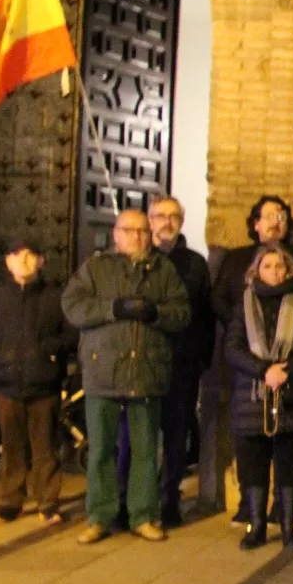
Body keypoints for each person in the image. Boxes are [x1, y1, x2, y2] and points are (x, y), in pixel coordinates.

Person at [62, 209, 190, 544]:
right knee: (101, 449)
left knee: (146, 450)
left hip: (146, 371)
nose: (137, 237)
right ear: (116, 234)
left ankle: (143, 515)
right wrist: (112, 309)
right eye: (130, 230)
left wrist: (156, 313)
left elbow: (182, 313)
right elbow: (72, 306)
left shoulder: (164, 270)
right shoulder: (96, 268)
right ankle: (100, 516)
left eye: (143, 231)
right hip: (103, 371)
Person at [209, 195, 293, 527]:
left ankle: (285, 519)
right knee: (251, 456)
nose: (275, 222)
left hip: (289, 383)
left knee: (287, 457)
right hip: (250, 382)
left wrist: (286, 368)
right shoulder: (237, 264)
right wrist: (256, 355)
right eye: (268, 216)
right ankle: (252, 516)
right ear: (255, 223)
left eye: (281, 216)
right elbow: (223, 312)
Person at [113, 196, 212, 528]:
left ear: (181, 220)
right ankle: (126, 503)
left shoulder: (195, 264)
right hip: (139, 364)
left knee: (175, 438)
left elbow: (204, 316)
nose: (167, 222)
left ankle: (170, 501)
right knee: (132, 437)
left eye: (173, 216)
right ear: (149, 220)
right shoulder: (133, 260)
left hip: (180, 366)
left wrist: (201, 359)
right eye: (159, 216)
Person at [0, 239, 74, 525]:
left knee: (45, 447)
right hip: (6, 384)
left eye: (30, 255)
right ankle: (9, 502)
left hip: (44, 384)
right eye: (17, 256)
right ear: (8, 262)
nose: (24, 261)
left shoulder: (56, 298)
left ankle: (47, 502)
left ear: (41, 261)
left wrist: (51, 349)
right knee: (11, 446)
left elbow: (72, 334)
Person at [225, 244, 293, 550]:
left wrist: (285, 370)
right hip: (252, 395)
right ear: (256, 271)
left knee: (287, 461)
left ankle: (289, 524)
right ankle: (256, 526)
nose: (275, 271)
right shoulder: (244, 303)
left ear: (288, 269)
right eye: (267, 266)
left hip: (290, 393)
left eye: (280, 266)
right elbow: (233, 347)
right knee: (254, 463)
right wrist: (264, 370)